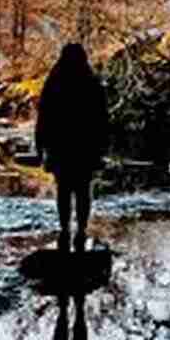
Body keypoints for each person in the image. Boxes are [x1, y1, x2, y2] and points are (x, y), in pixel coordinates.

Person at [34, 42, 109, 253]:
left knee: (64, 190)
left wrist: (40, 146)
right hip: (86, 147)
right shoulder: (92, 82)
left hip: (60, 147)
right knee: (83, 190)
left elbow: (43, 117)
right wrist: (103, 148)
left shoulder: (54, 82)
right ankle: (82, 231)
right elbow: (102, 119)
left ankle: (65, 229)